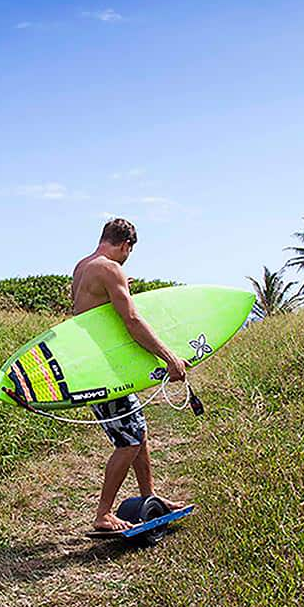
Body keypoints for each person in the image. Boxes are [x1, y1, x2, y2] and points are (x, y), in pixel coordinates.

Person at [72, 218, 187, 531]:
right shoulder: (110, 268)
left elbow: (92, 312)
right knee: (128, 442)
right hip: (104, 372)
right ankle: (103, 514)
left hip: (94, 367)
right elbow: (132, 320)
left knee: (138, 434)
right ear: (126, 245)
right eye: (128, 252)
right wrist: (169, 358)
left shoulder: (83, 267)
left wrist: (121, 287)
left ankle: (150, 496)